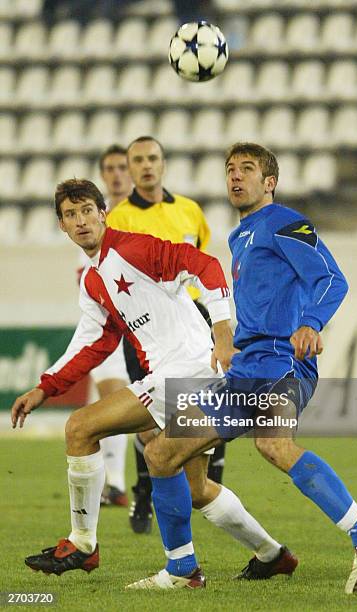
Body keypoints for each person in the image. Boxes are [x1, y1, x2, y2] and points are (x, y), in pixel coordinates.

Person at [118, 142, 357, 593]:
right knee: (161, 453)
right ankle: (182, 571)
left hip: (282, 365)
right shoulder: (238, 236)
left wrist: (310, 322)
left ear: (269, 183)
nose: (235, 176)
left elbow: (331, 277)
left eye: (247, 169)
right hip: (244, 371)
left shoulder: (285, 222)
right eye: (230, 169)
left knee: (272, 443)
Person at [11, 178, 297, 587]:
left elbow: (207, 266)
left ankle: (83, 544)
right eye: (70, 215)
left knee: (80, 428)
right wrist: (45, 387)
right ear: (61, 225)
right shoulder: (93, 281)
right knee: (196, 488)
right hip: (189, 374)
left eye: (87, 210)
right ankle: (272, 554)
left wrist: (222, 333)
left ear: (102, 212)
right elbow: (92, 345)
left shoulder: (134, 249)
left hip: (187, 370)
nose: (81, 221)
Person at [106, 136, 227, 532]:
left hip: (193, 322)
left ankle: (208, 481)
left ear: (163, 163)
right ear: (129, 167)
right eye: (137, 160)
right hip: (145, 329)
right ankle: (144, 489)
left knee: (202, 407)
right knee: (148, 419)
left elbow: (202, 264)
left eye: (152, 158)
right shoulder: (119, 218)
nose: (145, 166)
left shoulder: (190, 211)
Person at [79, 145, 133, 507]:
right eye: (109, 168)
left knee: (150, 411)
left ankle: (144, 484)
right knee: (112, 399)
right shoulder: (89, 221)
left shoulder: (142, 218)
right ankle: (115, 483)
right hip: (107, 330)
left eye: (121, 167)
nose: (116, 174)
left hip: (145, 328)